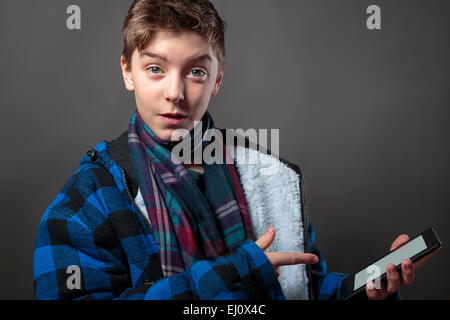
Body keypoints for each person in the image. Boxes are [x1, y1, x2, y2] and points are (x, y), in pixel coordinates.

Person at [33, 0, 434, 300]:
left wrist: (363, 291)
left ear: (217, 80)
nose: (175, 93)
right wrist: (238, 270)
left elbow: (302, 288)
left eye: (196, 72)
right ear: (127, 71)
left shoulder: (272, 178)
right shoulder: (89, 200)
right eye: (155, 68)